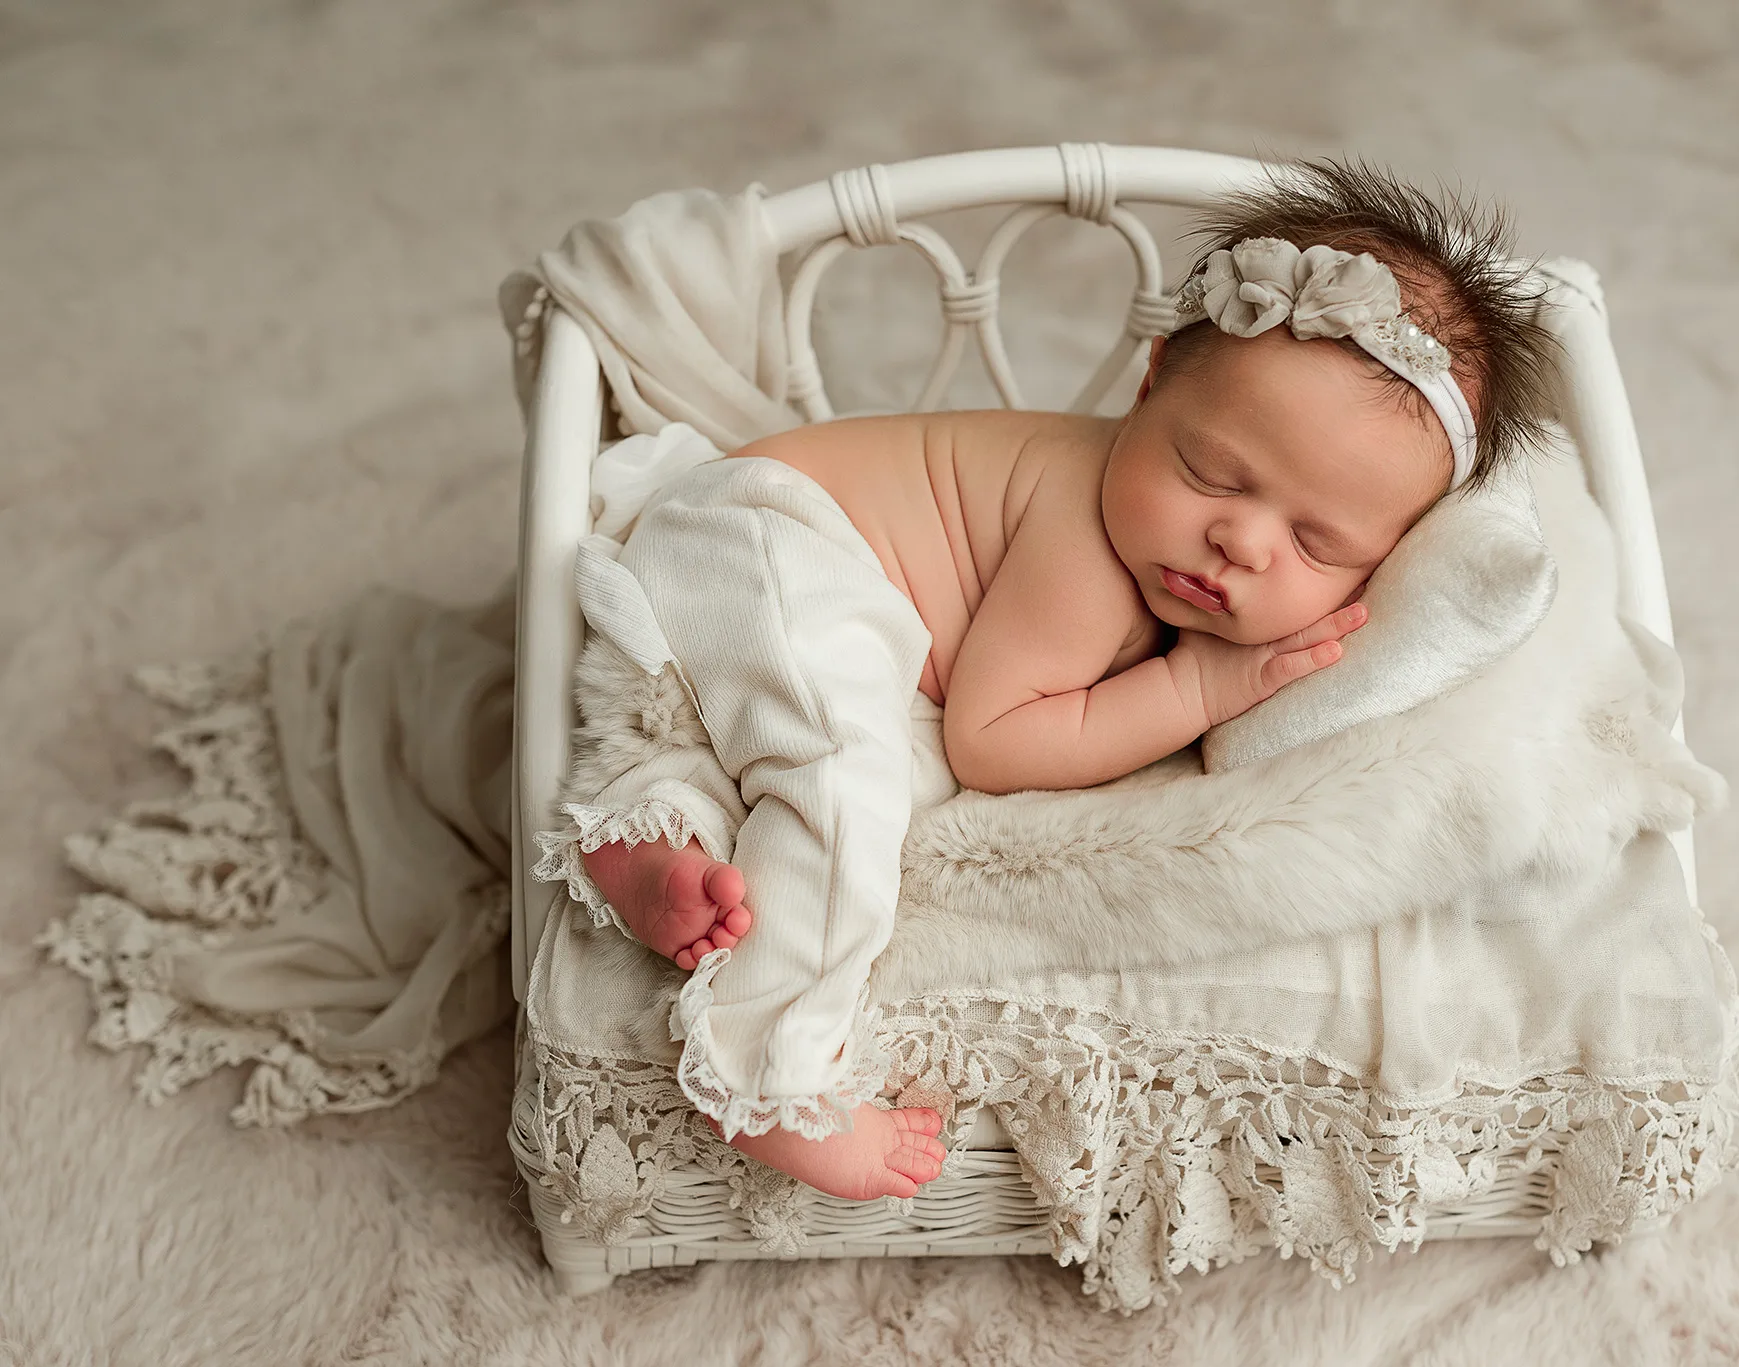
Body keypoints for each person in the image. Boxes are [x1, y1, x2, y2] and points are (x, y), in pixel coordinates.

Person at [535, 158, 1555, 1201]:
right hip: (763, 537)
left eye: (1316, 540)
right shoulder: (1088, 544)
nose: (1236, 541)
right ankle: (769, 1072)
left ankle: (649, 842)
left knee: (843, 749)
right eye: (1211, 474)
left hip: (773, 613)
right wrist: (1197, 691)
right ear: (1149, 384)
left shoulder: (1174, 549)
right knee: (844, 774)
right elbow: (996, 741)